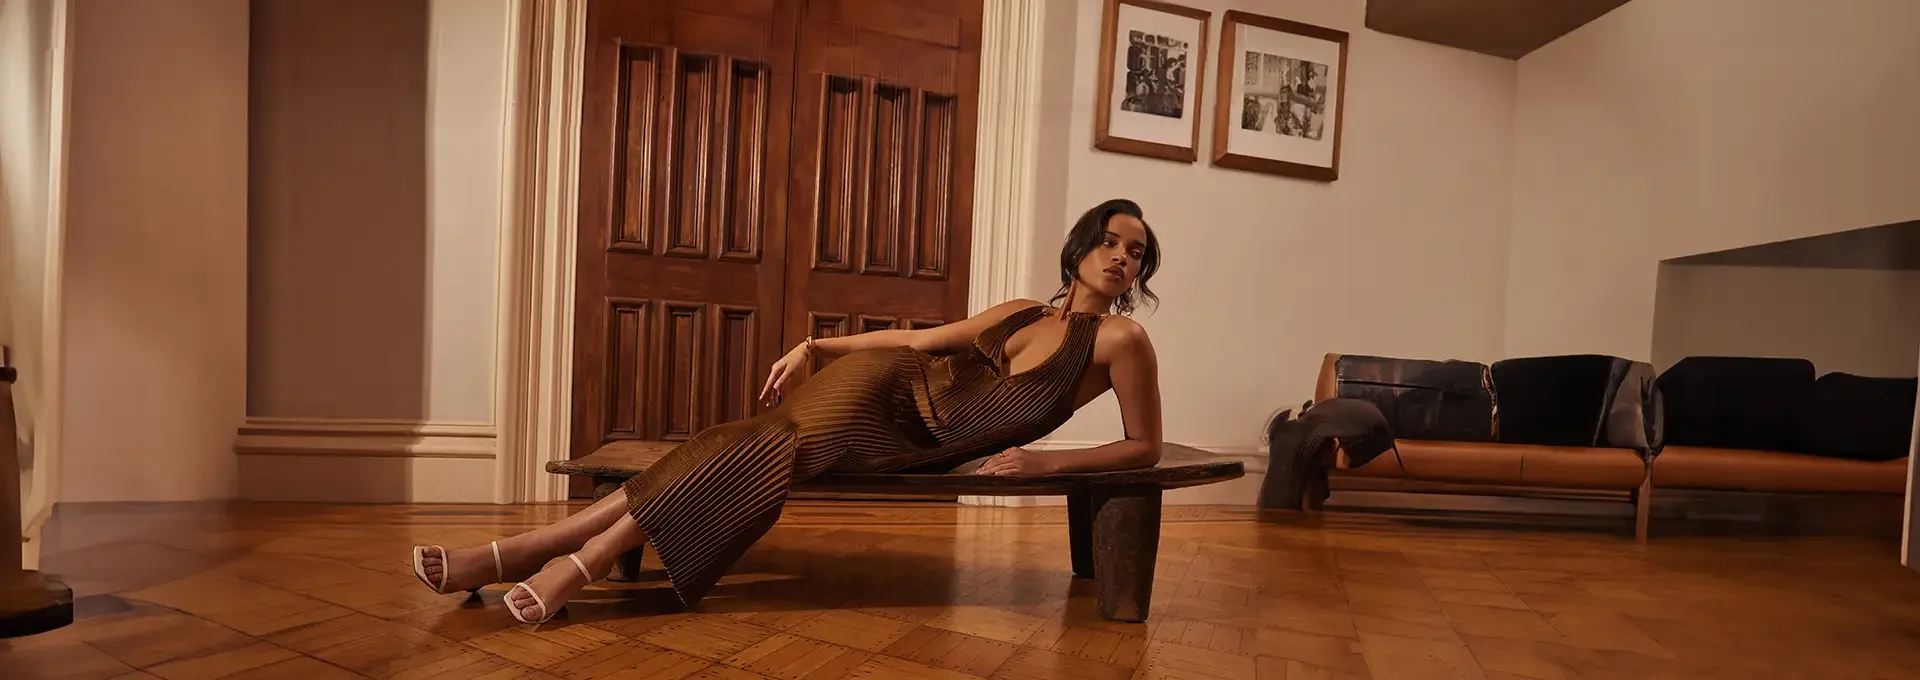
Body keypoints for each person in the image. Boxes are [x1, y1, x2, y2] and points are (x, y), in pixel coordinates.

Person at [410, 199, 1166, 624]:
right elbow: (916, 338)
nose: (1119, 257)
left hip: (918, 438)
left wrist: (1050, 462)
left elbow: (1144, 448)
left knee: (748, 442)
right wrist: (817, 345)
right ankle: (576, 561)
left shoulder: (1123, 340)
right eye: (1106, 242)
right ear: (1077, 249)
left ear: (1139, 271)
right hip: (886, 387)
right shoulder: (1023, 310)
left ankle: (525, 554)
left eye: (1134, 252)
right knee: (755, 439)